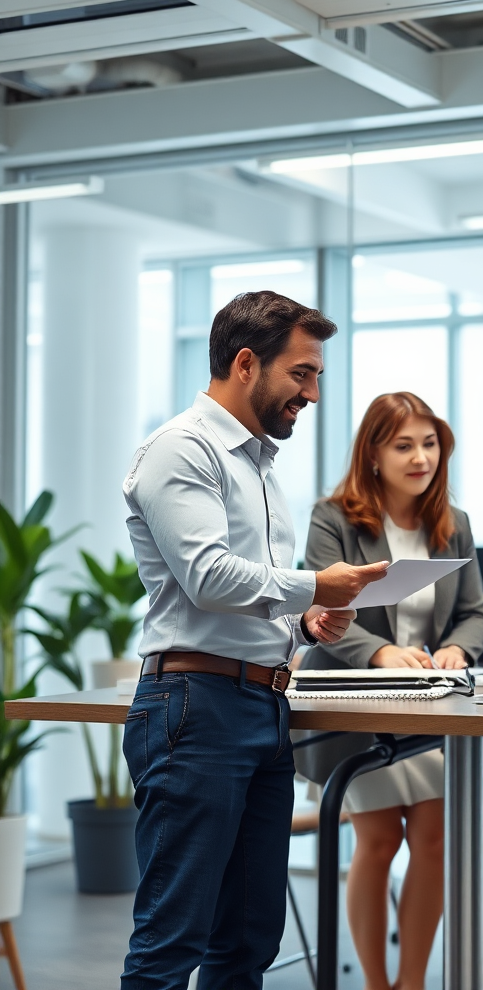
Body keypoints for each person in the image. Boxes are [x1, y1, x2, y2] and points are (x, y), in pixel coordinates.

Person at [120, 291, 389, 990]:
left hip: (263, 708)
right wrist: (314, 589)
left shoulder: (259, 462)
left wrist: (306, 623)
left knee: (247, 940)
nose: (314, 392)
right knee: (171, 941)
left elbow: (249, 593)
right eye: (302, 373)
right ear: (246, 363)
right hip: (196, 706)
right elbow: (208, 578)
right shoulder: (182, 449)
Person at [295, 391, 483, 990]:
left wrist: (459, 647)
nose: (420, 457)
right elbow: (324, 607)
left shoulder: (452, 526)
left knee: (433, 839)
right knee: (378, 841)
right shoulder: (334, 519)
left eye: (429, 443)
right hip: (354, 699)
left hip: (426, 703)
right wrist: (379, 652)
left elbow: (475, 612)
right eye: (403, 445)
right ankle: (376, 985)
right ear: (373, 454)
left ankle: (411, 983)